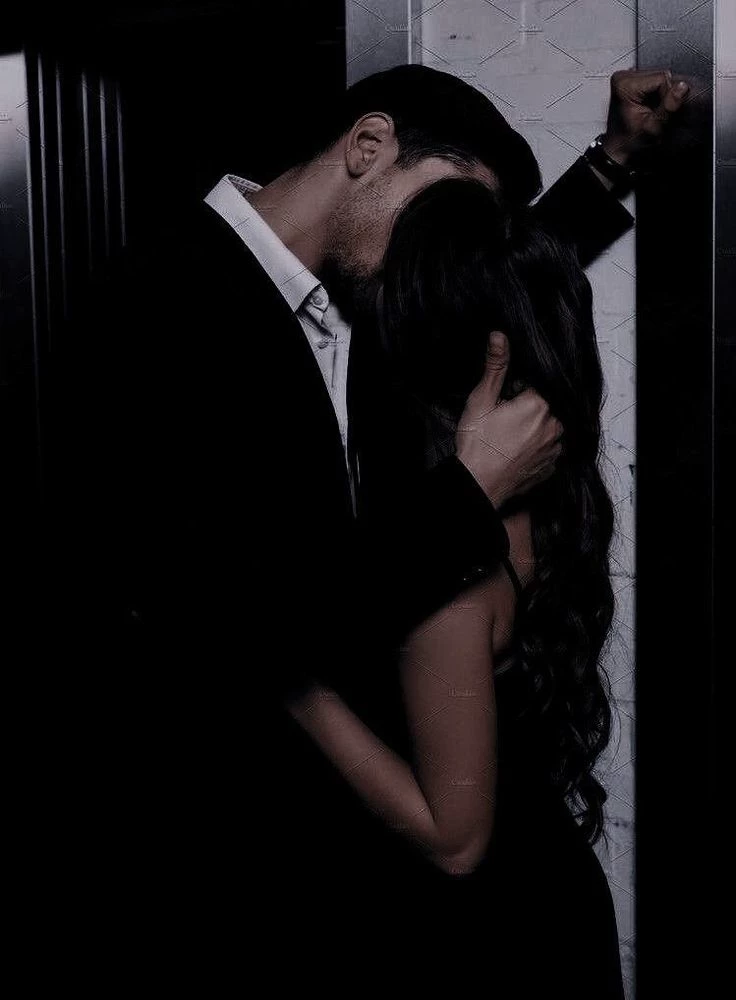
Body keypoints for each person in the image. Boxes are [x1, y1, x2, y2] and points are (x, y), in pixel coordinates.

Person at [44, 63, 685, 978]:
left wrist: (614, 162)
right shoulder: (151, 304)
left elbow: (500, 288)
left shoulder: (361, 296)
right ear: (368, 146)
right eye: (443, 215)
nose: (444, 251)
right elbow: (217, 613)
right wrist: (468, 492)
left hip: (371, 871)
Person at [284, 176, 623, 995]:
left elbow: (454, 837)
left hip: (491, 943)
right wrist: (610, 165)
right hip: (548, 903)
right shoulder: (546, 497)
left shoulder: (453, 567)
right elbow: (513, 281)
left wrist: (295, 686)